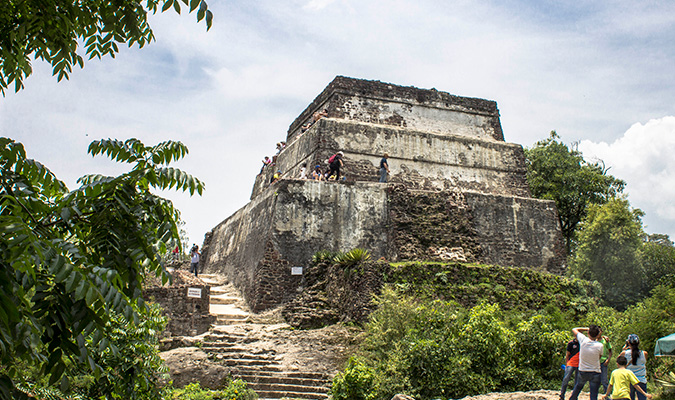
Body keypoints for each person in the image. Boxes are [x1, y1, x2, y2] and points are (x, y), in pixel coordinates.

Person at [569, 325, 605, 400]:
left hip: (583, 370)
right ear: (598, 334)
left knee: (577, 389)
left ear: (588, 332)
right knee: (593, 395)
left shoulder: (583, 340)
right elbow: (599, 357)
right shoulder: (600, 345)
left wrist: (586, 329)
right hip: (595, 371)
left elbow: (574, 329)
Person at [620, 334, 649, 400]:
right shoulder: (644, 353)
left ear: (628, 343)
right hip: (641, 380)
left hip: (629, 380)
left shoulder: (624, 353)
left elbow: (619, 365)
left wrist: (623, 350)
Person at [599, 328, 613, 394]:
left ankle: (607, 394)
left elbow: (610, 350)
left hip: (603, 361)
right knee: (595, 379)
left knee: (604, 380)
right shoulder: (593, 340)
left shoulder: (605, 340)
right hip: (595, 362)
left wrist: (608, 359)